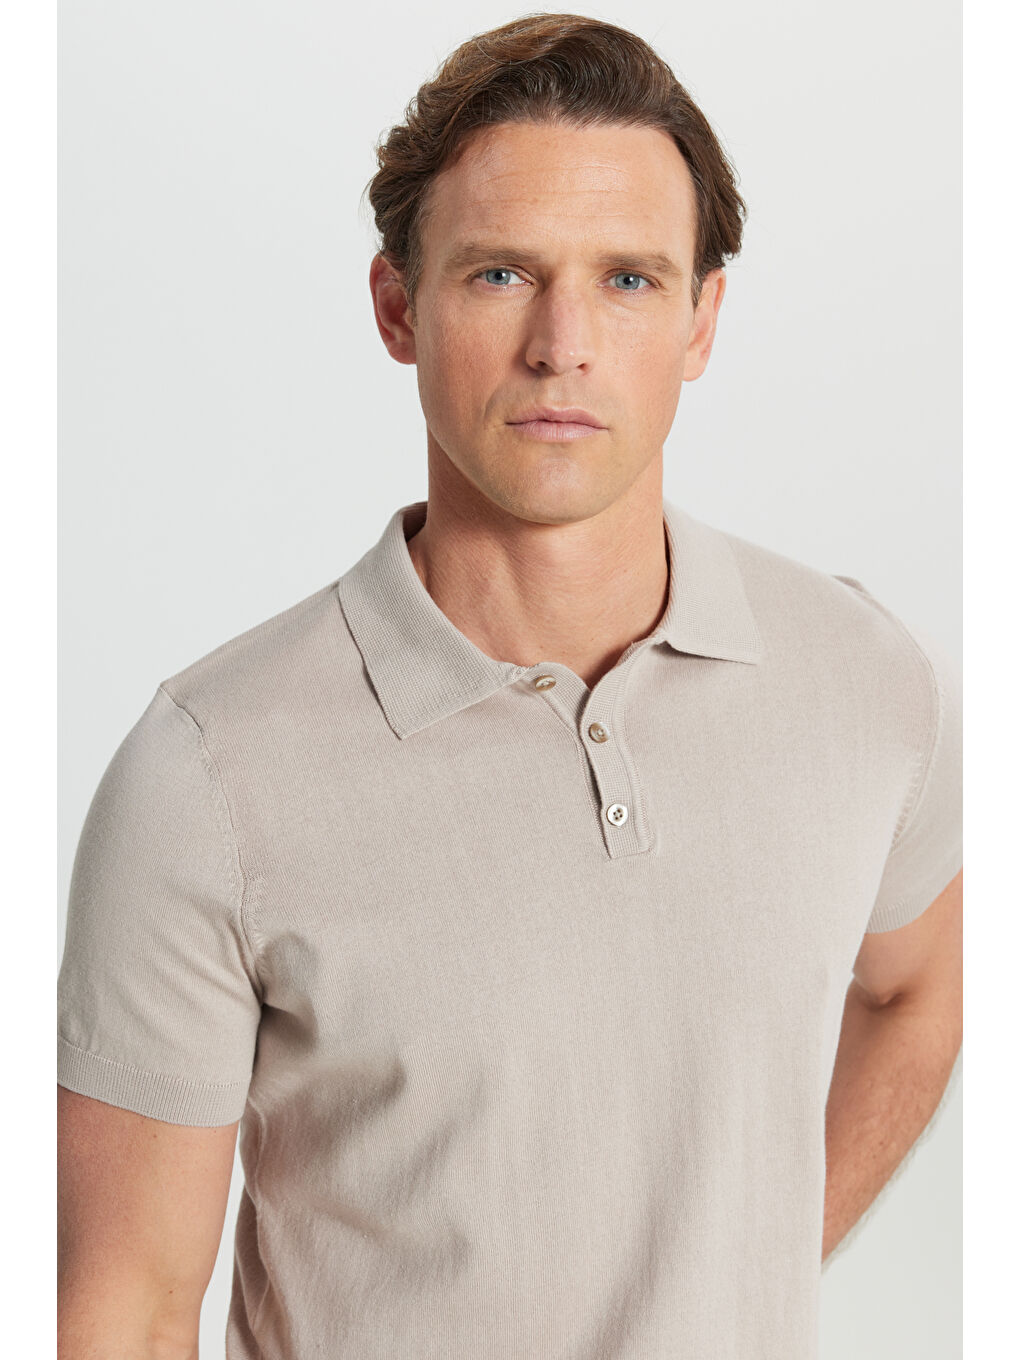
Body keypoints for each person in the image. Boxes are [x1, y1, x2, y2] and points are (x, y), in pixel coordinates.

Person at [57, 13, 963, 1359]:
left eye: (629, 279)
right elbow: (126, 1314)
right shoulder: (208, 775)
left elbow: (918, 994)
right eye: (499, 274)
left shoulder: (862, 678)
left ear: (704, 320)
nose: (563, 343)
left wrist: (741, 1270)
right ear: (398, 307)